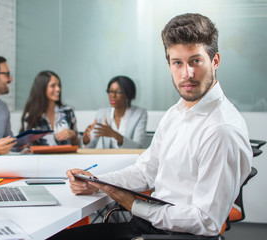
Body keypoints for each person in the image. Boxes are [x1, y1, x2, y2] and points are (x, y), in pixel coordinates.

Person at [48, 13, 253, 239]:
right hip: (149, 225)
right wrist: (97, 182)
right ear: (169, 65)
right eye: (178, 63)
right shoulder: (176, 113)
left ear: (215, 61)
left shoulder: (221, 129)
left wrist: (134, 205)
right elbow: (146, 171)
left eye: (196, 60)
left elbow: (206, 221)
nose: (187, 74)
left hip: (173, 234)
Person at [83, 76, 148, 149]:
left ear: (128, 94)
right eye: (110, 91)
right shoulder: (101, 113)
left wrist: (115, 135)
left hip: (130, 158)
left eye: (118, 92)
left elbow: (138, 147)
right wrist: (86, 140)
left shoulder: (139, 114)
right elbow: (90, 147)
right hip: (108, 159)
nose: (113, 96)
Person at [20, 70, 79, 146]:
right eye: (53, 86)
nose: (58, 89)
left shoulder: (68, 112)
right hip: (40, 158)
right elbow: (26, 147)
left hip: (65, 157)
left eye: (59, 85)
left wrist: (73, 136)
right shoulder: (30, 116)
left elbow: (78, 145)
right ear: (42, 88)